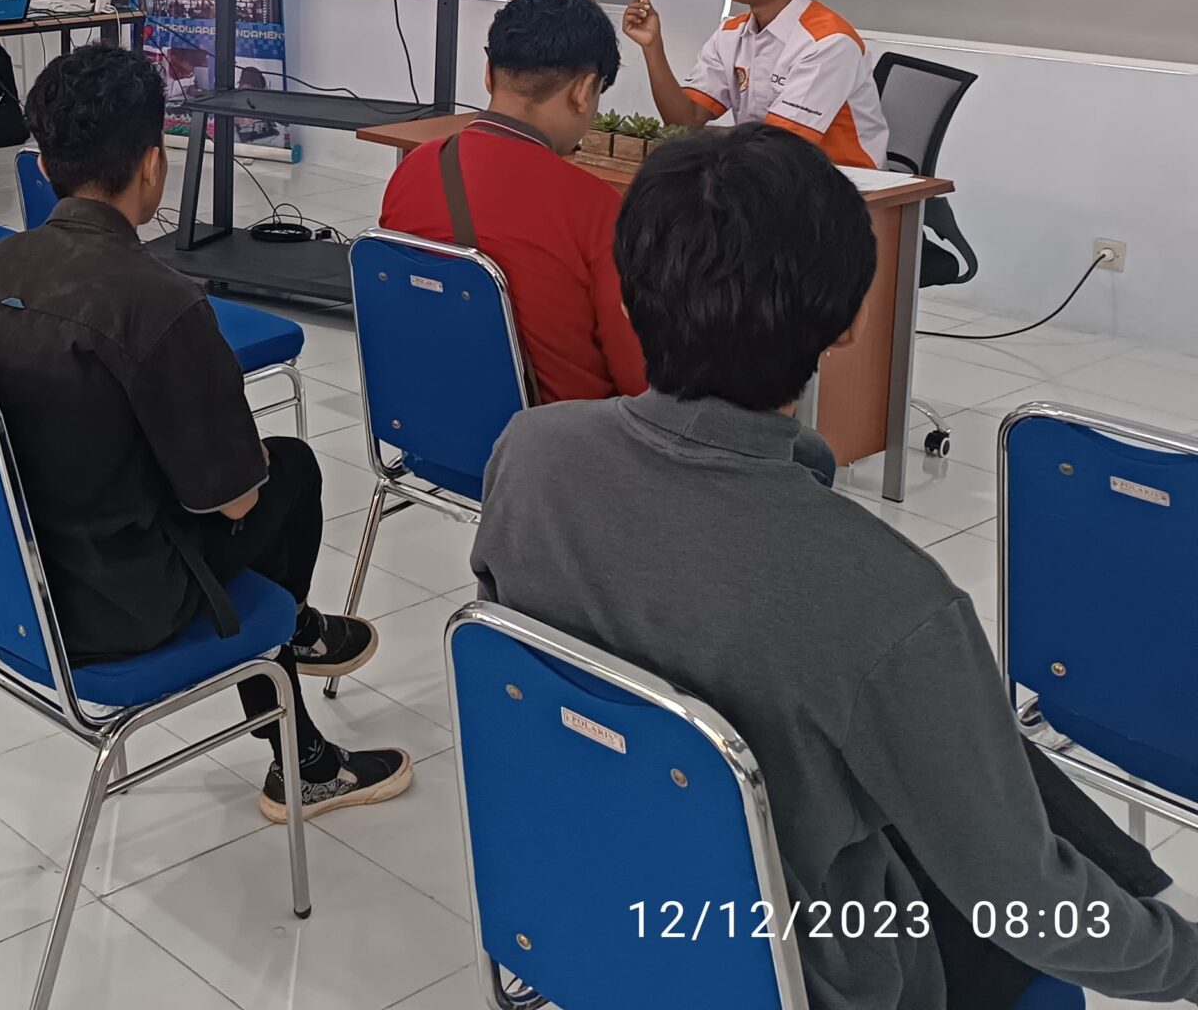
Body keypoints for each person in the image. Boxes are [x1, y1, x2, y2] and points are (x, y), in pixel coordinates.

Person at [472, 126, 1193, 1010]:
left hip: (585, 897)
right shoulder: (892, 600)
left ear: (625, 296)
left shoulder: (530, 454)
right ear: (849, 322)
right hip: (793, 963)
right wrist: (1185, 962)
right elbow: (1025, 909)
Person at [0, 45, 412, 824]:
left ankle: (297, 649)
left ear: (44, 164)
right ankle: (299, 742)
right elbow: (233, 503)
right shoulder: (161, 305)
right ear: (154, 165)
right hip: (113, 610)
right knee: (288, 474)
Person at [380, 0, 646, 406]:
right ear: (583, 91)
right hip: (557, 437)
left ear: (489, 73)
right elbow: (640, 380)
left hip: (422, 419)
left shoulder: (414, 168)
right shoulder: (596, 208)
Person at [624, 0, 889, 167]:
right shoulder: (731, 34)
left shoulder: (829, 42)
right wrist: (653, 47)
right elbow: (685, 122)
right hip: (762, 172)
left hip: (841, 180)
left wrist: (700, 137)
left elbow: (777, 143)